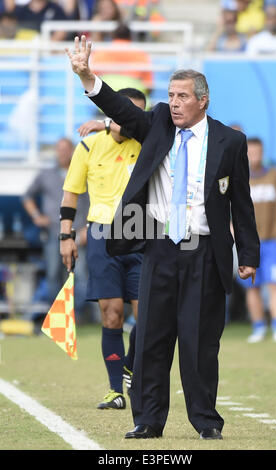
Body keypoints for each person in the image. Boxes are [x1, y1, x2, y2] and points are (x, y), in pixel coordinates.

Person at [66, 35, 260, 440]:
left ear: (202, 101)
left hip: (205, 252)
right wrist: (88, 76)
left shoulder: (230, 141)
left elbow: (241, 203)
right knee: (152, 338)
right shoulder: (154, 122)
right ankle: (147, 421)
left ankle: (206, 421)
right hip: (157, 247)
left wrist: (248, 254)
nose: (173, 102)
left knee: (199, 342)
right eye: (170, 94)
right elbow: (119, 108)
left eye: (182, 96)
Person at [59, 88, 146, 410]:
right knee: (110, 315)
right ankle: (115, 391)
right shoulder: (88, 146)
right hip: (101, 235)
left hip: (142, 234)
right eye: (124, 112)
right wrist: (65, 237)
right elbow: (71, 195)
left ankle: (130, 369)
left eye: (135, 114)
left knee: (146, 317)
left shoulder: (151, 142)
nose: (130, 119)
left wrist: (104, 122)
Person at [22, 137, 90, 323]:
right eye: (59, 149)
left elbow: (94, 201)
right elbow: (27, 196)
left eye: (66, 149)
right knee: (53, 274)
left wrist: (87, 229)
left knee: (81, 275)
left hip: (78, 233)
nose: (63, 153)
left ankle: (77, 316)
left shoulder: (83, 171)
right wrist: (37, 216)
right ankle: (57, 319)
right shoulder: (46, 174)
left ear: (72, 151)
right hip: (54, 233)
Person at [237, 137, 276, 343]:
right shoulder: (239, 177)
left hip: (272, 242)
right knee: (252, 287)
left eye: (257, 152)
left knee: (274, 284)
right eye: (250, 153)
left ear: (263, 152)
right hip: (248, 244)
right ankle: (258, 327)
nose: (254, 156)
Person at [89, 23, 153, 97]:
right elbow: (149, 86)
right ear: (130, 36)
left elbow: (90, 82)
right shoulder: (142, 55)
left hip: (105, 101)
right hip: (135, 102)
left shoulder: (99, 53)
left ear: (113, 36)